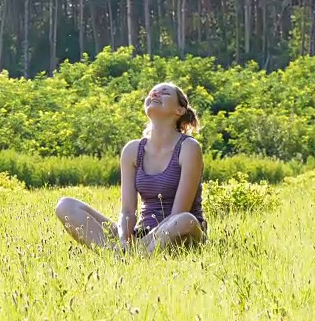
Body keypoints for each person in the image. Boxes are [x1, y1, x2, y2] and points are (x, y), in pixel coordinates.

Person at [55, 82, 207, 255]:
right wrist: (123, 239)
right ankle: (115, 254)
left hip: (182, 234)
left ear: (179, 110)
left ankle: (133, 256)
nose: (155, 94)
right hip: (141, 235)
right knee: (65, 205)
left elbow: (178, 213)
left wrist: (142, 243)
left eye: (164, 93)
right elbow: (127, 211)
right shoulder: (132, 150)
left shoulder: (189, 148)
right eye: (153, 93)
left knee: (185, 220)